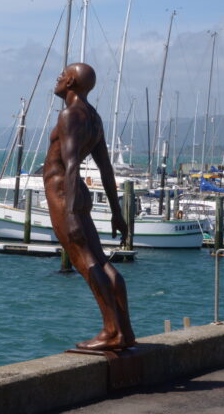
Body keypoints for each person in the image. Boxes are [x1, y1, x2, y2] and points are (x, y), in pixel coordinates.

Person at [43, 62, 135, 351]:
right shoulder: (93, 117)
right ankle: (125, 331)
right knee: (101, 261)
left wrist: (70, 213)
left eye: (62, 75)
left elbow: (71, 164)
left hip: (63, 193)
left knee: (86, 262)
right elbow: (105, 169)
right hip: (76, 193)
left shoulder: (70, 115)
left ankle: (111, 331)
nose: (58, 79)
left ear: (71, 81)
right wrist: (117, 212)